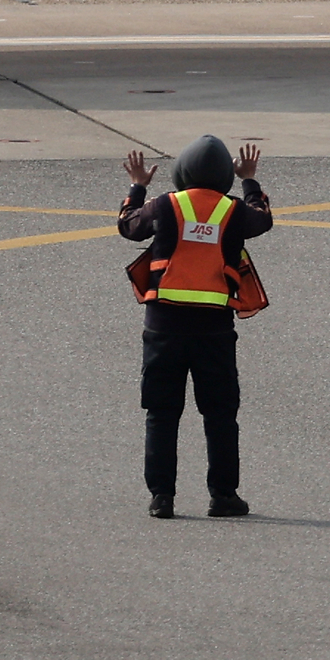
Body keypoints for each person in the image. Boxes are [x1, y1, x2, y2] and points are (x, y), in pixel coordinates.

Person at [120, 132, 270, 520]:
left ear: (181, 172)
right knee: (220, 414)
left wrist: (137, 188)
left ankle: (161, 498)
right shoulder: (232, 210)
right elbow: (263, 220)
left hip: (162, 329)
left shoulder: (164, 206)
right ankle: (223, 496)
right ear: (226, 175)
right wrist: (249, 180)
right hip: (214, 331)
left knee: (162, 412)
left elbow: (128, 227)